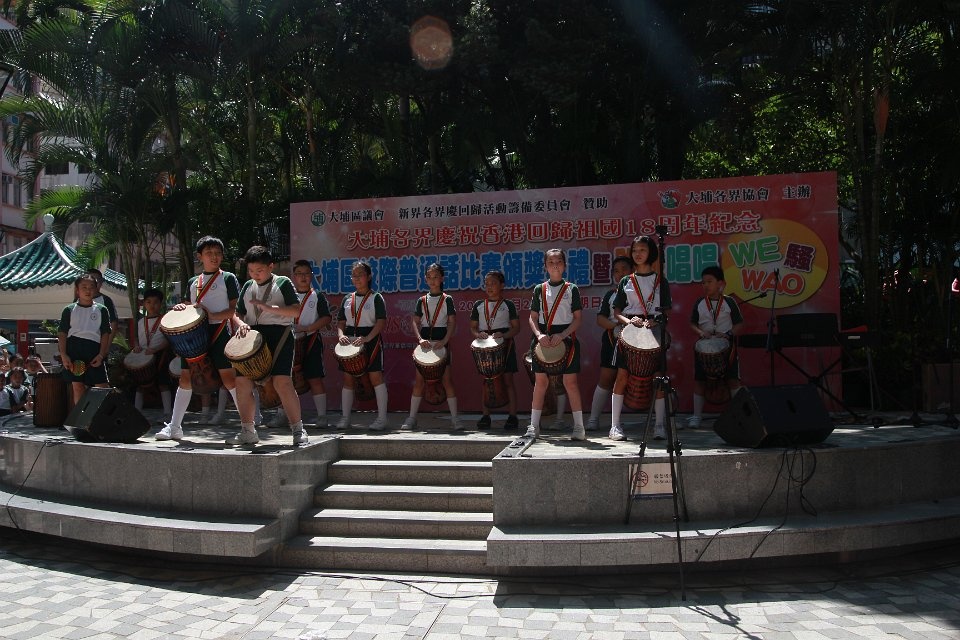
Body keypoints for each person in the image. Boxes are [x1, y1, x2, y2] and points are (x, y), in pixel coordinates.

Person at [156, 236, 242, 441]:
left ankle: (248, 425)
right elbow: (189, 307)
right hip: (195, 337)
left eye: (218, 253)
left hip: (220, 332)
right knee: (186, 379)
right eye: (209, 253)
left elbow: (235, 309)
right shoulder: (193, 282)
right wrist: (181, 307)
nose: (214, 257)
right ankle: (174, 427)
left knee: (229, 379)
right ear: (199, 256)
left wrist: (213, 315)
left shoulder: (228, 278)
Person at [229, 245, 306, 446]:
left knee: (282, 382)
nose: (255, 274)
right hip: (252, 337)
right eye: (251, 270)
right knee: (242, 383)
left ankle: (298, 429)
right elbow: (237, 313)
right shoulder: (248, 286)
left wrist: (269, 308)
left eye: (260, 270)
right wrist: (241, 324)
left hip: (279, 335)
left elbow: (296, 311)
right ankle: (248, 430)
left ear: (271, 267)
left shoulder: (283, 282)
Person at [609, 235, 671, 441]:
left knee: (658, 378)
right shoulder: (626, 281)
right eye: (635, 250)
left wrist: (657, 320)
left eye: (642, 250)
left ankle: (659, 425)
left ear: (651, 252)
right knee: (621, 376)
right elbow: (617, 312)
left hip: (653, 330)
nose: (638, 254)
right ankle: (615, 425)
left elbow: (666, 311)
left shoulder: (661, 281)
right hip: (630, 331)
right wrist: (628, 322)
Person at [526, 248, 586, 441]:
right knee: (541, 383)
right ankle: (534, 426)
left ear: (565, 265)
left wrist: (563, 335)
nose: (555, 265)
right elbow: (532, 317)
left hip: (566, 338)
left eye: (559, 261)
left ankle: (579, 427)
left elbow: (577, 319)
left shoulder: (571, 288)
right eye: (550, 262)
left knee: (570, 383)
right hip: (542, 338)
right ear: (545, 266)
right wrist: (539, 335)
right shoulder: (539, 289)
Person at [271, 260, 332, 428]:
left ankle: (322, 416)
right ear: (294, 276)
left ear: (311, 276)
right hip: (288, 342)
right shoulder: (287, 296)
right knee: (283, 378)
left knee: (314, 378)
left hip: (311, 340)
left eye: (306, 273)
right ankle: (281, 415)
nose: (303, 277)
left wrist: (307, 328)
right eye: (299, 274)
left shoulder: (317, 296)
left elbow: (326, 318)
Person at [402, 263, 462, 431]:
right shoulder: (421, 300)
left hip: (441, 342)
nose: (432, 280)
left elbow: (452, 322)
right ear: (425, 279)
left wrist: (445, 340)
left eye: (436, 277)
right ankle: (411, 418)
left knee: (447, 380)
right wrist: (420, 339)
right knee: (419, 381)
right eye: (429, 277)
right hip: (425, 343)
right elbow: (415, 322)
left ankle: (455, 419)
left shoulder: (447, 299)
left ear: (441, 278)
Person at [688, 265, 744, 427]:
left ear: (721, 283)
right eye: (703, 282)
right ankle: (696, 416)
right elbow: (692, 323)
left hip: (727, 347)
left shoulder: (729, 302)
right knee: (700, 381)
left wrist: (729, 334)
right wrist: (701, 333)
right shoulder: (700, 303)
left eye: (709, 281)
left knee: (733, 380)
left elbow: (739, 324)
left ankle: (739, 416)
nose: (706, 285)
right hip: (703, 347)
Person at [336, 260, 389, 430]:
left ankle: (382, 419)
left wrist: (367, 338)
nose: (357, 278)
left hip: (370, 340)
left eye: (360, 275)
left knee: (376, 378)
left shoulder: (376, 297)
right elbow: (341, 322)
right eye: (354, 275)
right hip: (350, 342)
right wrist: (341, 335)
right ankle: (345, 418)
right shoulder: (347, 298)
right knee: (348, 379)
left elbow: (380, 322)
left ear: (369, 277)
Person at [586, 255, 634, 431]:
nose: (620, 274)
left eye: (624, 269)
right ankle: (593, 419)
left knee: (647, 378)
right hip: (612, 340)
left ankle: (661, 422)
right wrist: (617, 326)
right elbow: (601, 319)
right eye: (616, 271)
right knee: (606, 378)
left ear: (633, 271)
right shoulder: (611, 295)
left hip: (638, 341)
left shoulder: (640, 294)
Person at [470, 270, 521, 430]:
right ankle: (486, 416)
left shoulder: (508, 305)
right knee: (487, 381)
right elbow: (473, 328)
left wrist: (504, 335)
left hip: (505, 344)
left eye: (493, 283)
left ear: (502, 285)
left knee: (508, 380)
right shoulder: (478, 305)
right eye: (487, 284)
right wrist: (478, 334)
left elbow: (516, 328)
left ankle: (512, 416)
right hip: (485, 345)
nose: (489, 287)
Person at [58, 274, 112, 404]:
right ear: (77, 290)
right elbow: (62, 333)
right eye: (84, 287)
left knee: (102, 386)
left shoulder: (102, 310)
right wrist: (64, 354)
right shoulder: (69, 310)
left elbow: (105, 333)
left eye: (91, 287)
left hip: (94, 349)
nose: (88, 290)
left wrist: (101, 354)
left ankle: (101, 415)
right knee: (78, 387)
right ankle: (80, 417)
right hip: (74, 350)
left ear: (96, 289)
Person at [132, 288, 173, 422]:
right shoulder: (140, 322)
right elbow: (136, 338)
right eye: (148, 302)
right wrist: (136, 346)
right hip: (143, 356)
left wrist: (156, 349)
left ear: (161, 304)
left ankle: (167, 413)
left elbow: (169, 340)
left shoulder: (165, 320)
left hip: (161, 355)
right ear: (144, 304)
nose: (152, 305)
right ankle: (137, 414)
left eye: (155, 302)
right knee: (140, 385)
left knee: (163, 384)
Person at [86, 268, 120, 338]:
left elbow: (113, 323)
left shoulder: (106, 300)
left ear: (101, 283)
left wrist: (107, 343)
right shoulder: (78, 300)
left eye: (97, 281)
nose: (94, 284)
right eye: (91, 281)